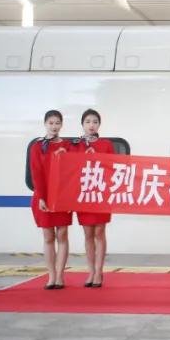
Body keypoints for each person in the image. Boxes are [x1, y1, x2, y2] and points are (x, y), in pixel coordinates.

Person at [30, 110, 72, 289]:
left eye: (57, 123)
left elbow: (72, 173)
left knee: (62, 235)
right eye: (51, 123)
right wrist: (41, 197)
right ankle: (51, 276)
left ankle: (60, 276)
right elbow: (36, 172)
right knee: (48, 237)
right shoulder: (37, 146)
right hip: (43, 197)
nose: (54, 126)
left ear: (61, 125)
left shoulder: (68, 146)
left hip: (62, 196)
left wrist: (70, 198)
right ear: (45, 124)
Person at [72, 109, 113, 288]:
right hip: (84, 195)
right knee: (88, 233)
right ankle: (90, 271)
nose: (91, 125)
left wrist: (96, 158)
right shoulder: (75, 145)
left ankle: (98, 271)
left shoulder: (106, 145)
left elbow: (114, 167)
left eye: (95, 122)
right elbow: (71, 169)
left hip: (101, 194)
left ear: (99, 125)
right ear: (82, 124)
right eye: (88, 121)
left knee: (99, 232)